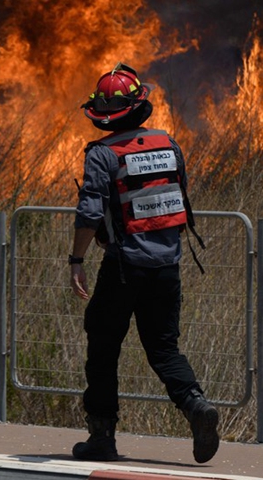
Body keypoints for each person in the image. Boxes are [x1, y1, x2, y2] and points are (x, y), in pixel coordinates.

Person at [68, 62, 219, 464]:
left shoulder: (102, 154)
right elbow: (178, 198)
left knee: (103, 345)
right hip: (167, 266)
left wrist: (76, 259)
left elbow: (89, 212)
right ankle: (196, 405)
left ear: (103, 116)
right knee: (164, 349)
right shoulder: (168, 143)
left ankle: (102, 436)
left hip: (123, 267)